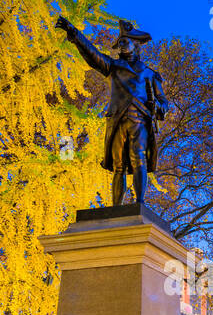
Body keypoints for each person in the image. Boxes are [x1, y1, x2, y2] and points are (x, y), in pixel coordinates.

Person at [54, 16, 170, 206]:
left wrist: (158, 107)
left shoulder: (149, 73)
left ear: (135, 44)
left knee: (138, 157)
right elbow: (92, 54)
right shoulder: (113, 66)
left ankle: (139, 204)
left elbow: (163, 101)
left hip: (139, 120)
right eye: (121, 42)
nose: (122, 45)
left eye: (126, 41)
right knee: (119, 166)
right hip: (117, 120)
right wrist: (74, 33)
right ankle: (116, 207)